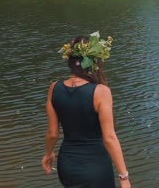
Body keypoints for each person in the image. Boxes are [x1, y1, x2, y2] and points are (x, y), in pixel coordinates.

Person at [41, 32, 131, 188]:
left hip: (67, 164)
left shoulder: (54, 88)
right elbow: (109, 137)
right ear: (95, 61)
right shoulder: (101, 92)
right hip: (96, 166)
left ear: (70, 60)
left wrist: (48, 154)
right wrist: (124, 177)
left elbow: (52, 133)